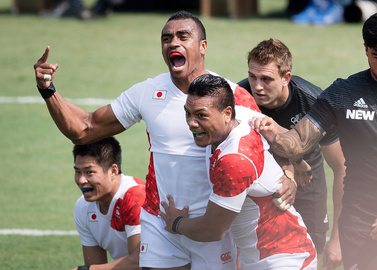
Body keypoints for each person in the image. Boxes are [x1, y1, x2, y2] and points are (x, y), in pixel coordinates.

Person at [33, 10, 295, 270]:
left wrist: (289, 175)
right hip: (160, 220)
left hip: (212, 227)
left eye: (183, 36)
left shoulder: (231, 96)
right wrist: (48, 90)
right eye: (166, 38)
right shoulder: (148, 92)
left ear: (202, 47)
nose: (173, 43)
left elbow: (273, 143)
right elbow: (84, 128)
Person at [250, 12, 377, 270]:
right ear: (365, 50)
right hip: (359, 225)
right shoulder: (342, 94)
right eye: (376, 56)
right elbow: (298, 142)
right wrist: (271, 132)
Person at [160, 74, 317, 269]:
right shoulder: (243, 116)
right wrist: (291, 170)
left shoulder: (234, 161)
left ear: (227, 113)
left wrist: (176, 223)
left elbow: (213, 230)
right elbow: (278, 142)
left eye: (201, 115)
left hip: (284, 259)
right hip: (261, 259)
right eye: (188, 113)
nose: (191, 123)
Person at [237, 38, 345, 269]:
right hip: (255, 192)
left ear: (286, 78)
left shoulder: (314, 102)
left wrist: (337, 237)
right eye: (252, 77)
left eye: (266, 79)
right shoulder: (240, 98)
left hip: (308, 191)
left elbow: (341, 168)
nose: (257, 87)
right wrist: (293, 165)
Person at [70, 136, 145, 270]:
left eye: (89, 172)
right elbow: (96, 265)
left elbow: (140, 263)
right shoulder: (83, 206)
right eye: (77, 172)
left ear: (113, 171)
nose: (81, 180)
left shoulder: (135, 197)